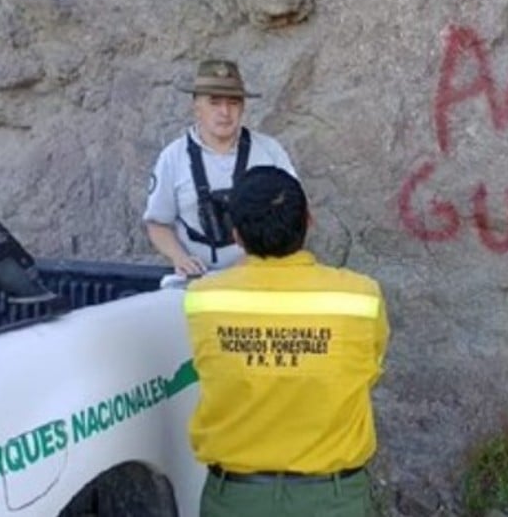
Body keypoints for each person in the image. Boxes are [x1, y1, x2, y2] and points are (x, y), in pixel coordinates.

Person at [183, 166, 390, 517]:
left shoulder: (202, 299)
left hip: (235, 500)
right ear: (308, 221)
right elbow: (368, 371)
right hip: (334, 500)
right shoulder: (361, 298)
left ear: (237, 236)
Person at [143, 59, 299, 276]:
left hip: (259, 274)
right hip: (194, 278)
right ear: (196, 107)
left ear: (243, 107)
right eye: (214, 102)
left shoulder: (269, 152)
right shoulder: (173, 158)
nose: (225, 112)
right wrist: (180, 258)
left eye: (233, 102)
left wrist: (255, 260)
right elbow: (157, 223)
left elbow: (296, 215)